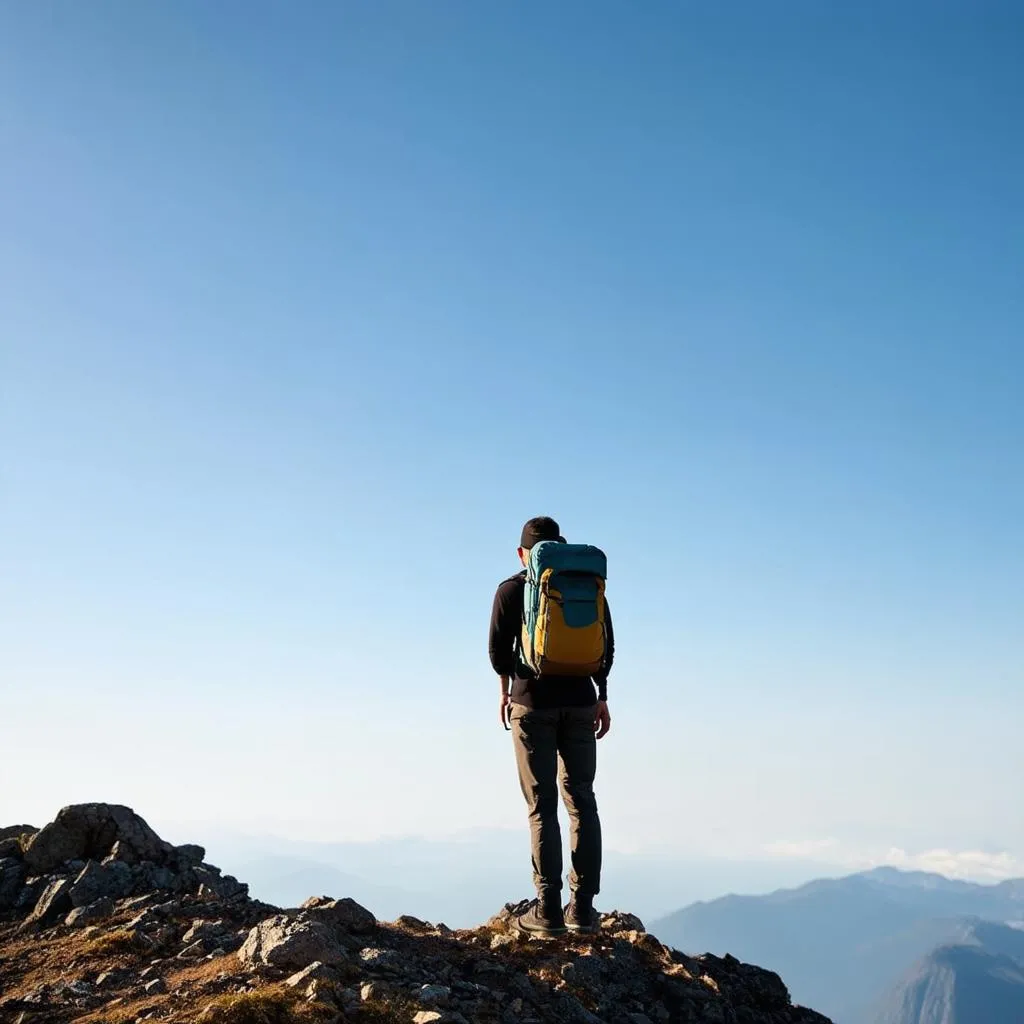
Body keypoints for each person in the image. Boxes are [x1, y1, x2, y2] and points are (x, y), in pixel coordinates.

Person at [488, 516, 614, 937]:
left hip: (532, 704)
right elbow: (605, 645)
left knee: (542, 807)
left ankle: (548, 911)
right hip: (581, 703)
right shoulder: (585, 584)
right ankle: (582, 909)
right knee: (582, 801)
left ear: (523, 553)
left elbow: (497, 652)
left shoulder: (511, 589)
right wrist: (602, 696)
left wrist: (506, 691)